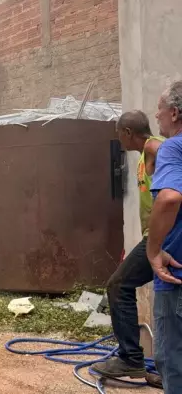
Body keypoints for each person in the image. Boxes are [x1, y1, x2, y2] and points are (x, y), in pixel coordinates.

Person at [91, 111, 163, 388]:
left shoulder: (156, 147)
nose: (118, 139)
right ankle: (163, 369)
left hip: (162, 239)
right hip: (156, 237)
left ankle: (131, 357)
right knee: (167, 304)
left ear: (128, 132)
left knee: (119, 285)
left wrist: (156, 241)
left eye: (119, 133)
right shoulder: (144, 157)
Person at [147, 81, 182, 392]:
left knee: (174, 364)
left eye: (159, 110)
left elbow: (169, 197)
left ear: (174, 112)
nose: (156, 116)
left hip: (177, 277)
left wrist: (153, 249)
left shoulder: (174, 147)